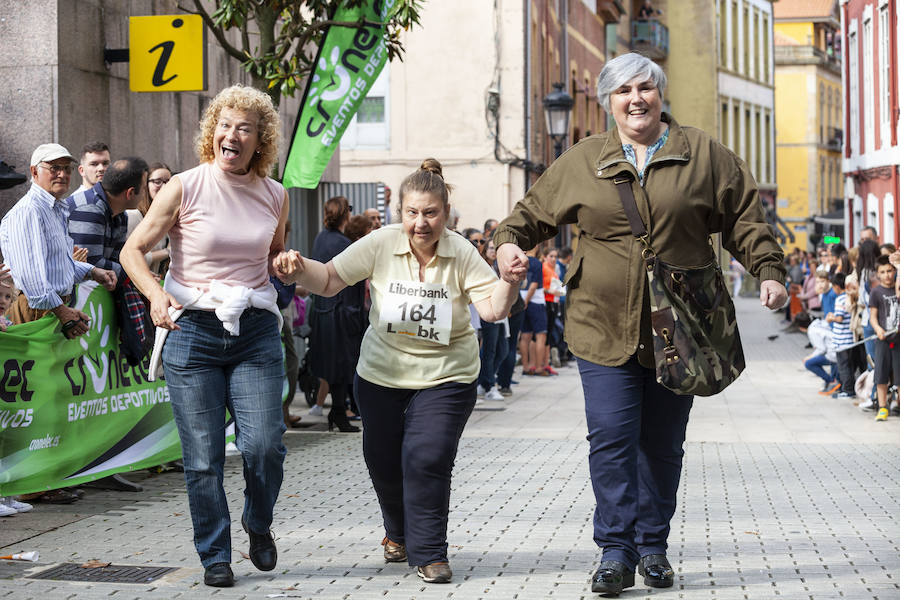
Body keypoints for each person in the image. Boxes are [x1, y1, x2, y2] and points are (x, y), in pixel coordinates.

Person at [493, 53, 787, 595]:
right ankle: (615, 551)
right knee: (611, 436)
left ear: (660, 94)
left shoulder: (701, 155)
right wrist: (509, 244)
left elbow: (746, 216)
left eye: (646, 88)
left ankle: (653, 548)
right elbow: (528, 215)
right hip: (600, 324)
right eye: (624, 90)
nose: (636, 98)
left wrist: (768, 270)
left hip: (680, 328)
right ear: (609, 101)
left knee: (662, 441)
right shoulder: (584, 159)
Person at [281, 158, 522, 584]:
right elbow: (331, 279)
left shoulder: (461, 251)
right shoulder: (380, 242)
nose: (421, 222)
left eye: (430, 213)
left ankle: (429, 553)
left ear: (445, 213)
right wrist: (299, 267)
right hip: (381, 375)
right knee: (384, 462)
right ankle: (397, 533)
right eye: (412, 213)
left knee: (426, 457)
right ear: (401, 213)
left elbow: (492, 309)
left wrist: (510, 279)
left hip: (447, 376)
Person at [120, 84, 292, 588]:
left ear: (260, 139)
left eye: (244, 127)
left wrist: (285, 264)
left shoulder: (275, 194)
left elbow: (273, 258)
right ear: (211, 132)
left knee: (264, 446)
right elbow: (134, 250)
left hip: (255, 329)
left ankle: (257, 525)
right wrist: (155, 294)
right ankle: (215, 555)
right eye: (224, 125)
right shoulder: (185, 187)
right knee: (203, 456)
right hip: (192, 329)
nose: (231, 135)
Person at [0, 143, 117, 330]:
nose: (62, 174)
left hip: (52, 308)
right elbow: (31, 275)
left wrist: (92, 272)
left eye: (66, 168)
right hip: (35, 309)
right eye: (54, 168)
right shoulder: (28, 211)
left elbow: (57, 264)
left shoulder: (54, 208)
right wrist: (62, 312)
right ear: (34, 172)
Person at [307, 196, 365, 433]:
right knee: (342, 365)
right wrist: (355, 316)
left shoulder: (321, 238)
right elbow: (351, 283)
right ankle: (339, 412)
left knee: (333, 365)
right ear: (345, 215)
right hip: (341, 314)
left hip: (323, 311)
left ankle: (338, 411)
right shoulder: (344, 244)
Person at [126, 162, 173, 275]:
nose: (164, 186)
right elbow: (128, 257)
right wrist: (168, 252)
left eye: (169, 182)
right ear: (145, 185)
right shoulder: (133, 215)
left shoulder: (169, 217)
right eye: (158, 182)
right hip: (137, 285)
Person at [868, 255, 900, 422]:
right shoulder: (876, 292)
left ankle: (897, 404)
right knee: (881, 376)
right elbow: (873, 316)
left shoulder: (898, 289)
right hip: (883, 340)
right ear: (878, 274)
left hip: (898, 340)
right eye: (883, 272)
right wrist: (878, 329)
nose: (887, 275)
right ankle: (882, 408)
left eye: (890, 270)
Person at [518, 245, 548, 376]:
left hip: (521, 298)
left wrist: (522, 302)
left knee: (525, 336)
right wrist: (526, 302)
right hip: (535, 301)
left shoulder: (519, 261)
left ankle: (526, 367)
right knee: (541, 335)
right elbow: (534, 285)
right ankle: (539, 368)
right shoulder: (536, 263)